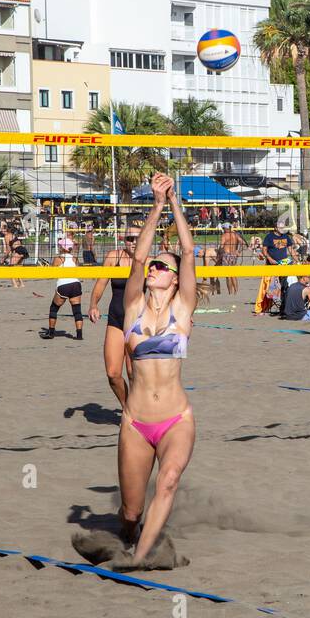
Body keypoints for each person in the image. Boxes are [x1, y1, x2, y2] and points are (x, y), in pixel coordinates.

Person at [113, 172, 197, 565]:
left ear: (175, 279)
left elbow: (188, 250)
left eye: (164, 267)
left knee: (168, 481)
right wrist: (157, 205)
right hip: (136, 422)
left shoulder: (183, 310)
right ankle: (131, 534)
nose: (154, 269)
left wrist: (176, 201)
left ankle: (140, 560)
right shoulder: (133, 307)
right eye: (156, 266)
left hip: (176, 419)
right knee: (130, 515)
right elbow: (138, 258)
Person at [89, 221, 141, 415]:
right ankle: (128, 408)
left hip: (139, 322)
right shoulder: (114, 257)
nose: (133, 242)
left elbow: (171, 286)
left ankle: (137, 413)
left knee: (133, 373)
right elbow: (101, 283)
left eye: (137, 238)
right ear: (123, 240)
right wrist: (93, 304)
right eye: (129, 238)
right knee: (113, 374)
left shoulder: (150, 260)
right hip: (116, 319)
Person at [43, 236, 84, 340]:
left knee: (53, 309)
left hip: (64, 285)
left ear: (62, 247)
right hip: (76, 284)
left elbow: (51, 274)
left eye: (60, 245)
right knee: (77, 311)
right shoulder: (75, 258)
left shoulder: (58, 258)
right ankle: (79, 335)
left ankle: (51, 333)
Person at [218, 222, 244, 296]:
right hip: (233, 255)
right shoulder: (235, 235)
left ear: (226, 228)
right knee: (233, 274)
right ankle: (236, 292)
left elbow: (221, 246)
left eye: (223, 228)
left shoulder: (224, 235)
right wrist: (238, 251)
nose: (223, 229)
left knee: (228, 275)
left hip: (226, 255)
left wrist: (219, 253)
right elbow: (243, 243)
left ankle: (230, 292)